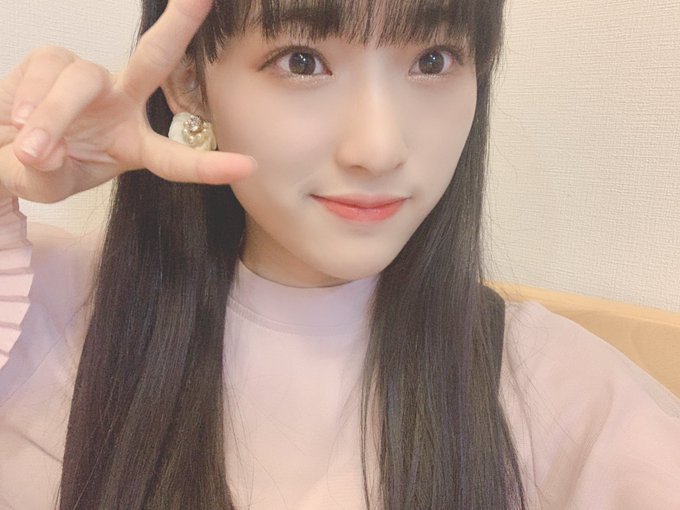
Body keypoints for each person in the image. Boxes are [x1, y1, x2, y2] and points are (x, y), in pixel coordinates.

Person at [1, 0, 679, 508]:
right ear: (190, 84)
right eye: (302, 61)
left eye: (433, 60)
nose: (378, 149)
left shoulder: (549, 389)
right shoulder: (42, 319)